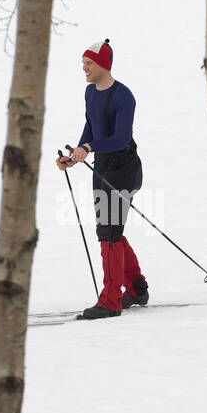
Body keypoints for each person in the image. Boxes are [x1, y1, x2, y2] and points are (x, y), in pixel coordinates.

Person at [55, 39, 149, 319]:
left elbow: (120, 138)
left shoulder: (124, 96)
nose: (84, 68)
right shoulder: (90, 92)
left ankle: (110, 302)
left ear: (104, 66)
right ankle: (135, 287)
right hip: (103, 167)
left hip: (124, 168)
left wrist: (89, 148)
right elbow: (90, 126)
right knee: (110, 231)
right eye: (83, 63)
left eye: (89, 63)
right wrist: (75, 154)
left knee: (109, 233)